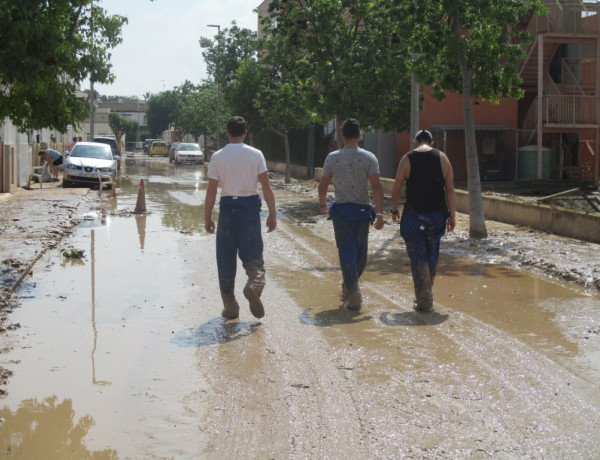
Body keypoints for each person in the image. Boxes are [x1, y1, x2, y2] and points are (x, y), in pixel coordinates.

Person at [204, 116, 277, 319]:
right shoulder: (256, 155)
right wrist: (273, 214)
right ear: (245, 133)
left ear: (227, 133)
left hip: (227, 208)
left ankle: (231, 306)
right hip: (249, 209)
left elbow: (211, 190)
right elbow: (266, 186)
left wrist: (207, 217)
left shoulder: (218, 156)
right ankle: (254, 283)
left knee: (225, 259)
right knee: (253, 255)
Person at [318, 118, 384, 311]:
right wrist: (380, 213)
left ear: (342, 136)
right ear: (359, 136)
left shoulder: (332, 158)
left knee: (349, 252)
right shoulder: (369, 157)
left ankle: (349, 285)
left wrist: (322, 204)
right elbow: (377, 186)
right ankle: (354, 293)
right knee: (359, 255)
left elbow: (323, 186)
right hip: (360, 213)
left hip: (344, 213)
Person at [390, 129, 456, 312]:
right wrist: (453, 215)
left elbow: (396, 187)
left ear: (415, 141)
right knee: (432, 251)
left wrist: (394, 209)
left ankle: (423, 298)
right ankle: (426, 294)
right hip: (437, 216)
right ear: (432, 142)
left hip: (413, 216)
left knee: (417, 255)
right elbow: (450, 189)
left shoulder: (407, 158)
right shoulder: (443, 159)